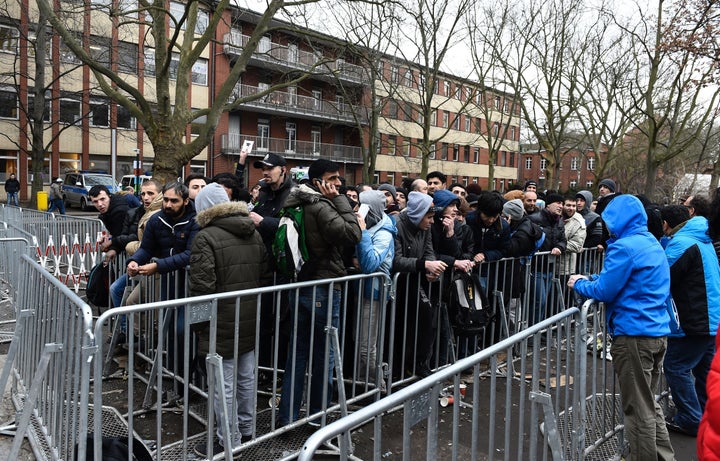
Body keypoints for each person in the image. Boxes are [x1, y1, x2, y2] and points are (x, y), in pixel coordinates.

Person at [568, 195, 675, 461]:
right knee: (649, 403)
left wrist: (578, 285)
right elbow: (626, 280)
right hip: (656, 332)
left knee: (637, 409)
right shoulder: (651, 242)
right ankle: (663, 456)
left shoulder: (624, 247)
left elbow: (605, 290)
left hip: (634, 334)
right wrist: (592, 278)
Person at [188, 183, 271, 457]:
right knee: (246, 377)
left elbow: (201, 288)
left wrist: (199, 327)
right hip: (247, 316)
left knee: (223, 385)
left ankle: (227, 441)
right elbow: (264, 273)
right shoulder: (252, 231)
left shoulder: (205, 237)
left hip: (219, 321)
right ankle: (246, 430)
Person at [277, 159, 362, 426]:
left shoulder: (293, 202)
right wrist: (342, 203)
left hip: (300, 285)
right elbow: (352, 234)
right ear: (318, 182)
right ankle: (318, 419)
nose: (338, 183)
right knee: (324, 355)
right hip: (323, 288)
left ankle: (288, 417)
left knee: (297, 353)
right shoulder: (320, 206)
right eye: (333, 178)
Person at [660, 205, 720, 437]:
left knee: (676, 367)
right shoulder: (701, 237)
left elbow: (662, 275)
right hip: (710, 317)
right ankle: (704, 413)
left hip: (695, 318)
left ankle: (691, 418)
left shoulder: (683, 241)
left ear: (666, 224)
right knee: (704, 370)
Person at [392, 191, 448, 378]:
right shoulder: (398, 225)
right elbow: (396, 260)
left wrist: (431, 269)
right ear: (418, 215)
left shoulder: (426, 229)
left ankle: (419, 363)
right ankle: (399, 368)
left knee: (426, 318)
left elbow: (429, 251)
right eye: (429, 217)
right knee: (400, 326)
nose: (432, 222)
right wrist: (424, 265)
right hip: (398, 283)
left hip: (415, 279)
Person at [354, 190, 397, 392]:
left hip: (375, 293)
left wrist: (361, 233)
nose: (356, 209)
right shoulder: (373, 226)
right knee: (358, 342)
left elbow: (370, 263)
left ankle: (378, 389)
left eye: (360, 206)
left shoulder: (384, 233)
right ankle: (362, 386)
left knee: (366, 347)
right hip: (361, 291)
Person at [528, 193, 567, 323]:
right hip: (536, 267)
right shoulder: (534, 219)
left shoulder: (559, 221)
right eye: (558, 203)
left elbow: (563, 240)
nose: (560, 206)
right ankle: (533, 332)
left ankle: (539, 331)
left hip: (549, 268)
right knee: (540, 300)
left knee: (545, 301)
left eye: (562, 204)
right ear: (548, 204)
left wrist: (559, 248)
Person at [89, 185, 131, 255]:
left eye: (102, 199)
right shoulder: (110, 209)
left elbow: (121, 234)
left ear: (109, 196)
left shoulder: (120, 211)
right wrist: (109, 236)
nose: (100, 204)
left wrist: (112, 248)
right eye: (95, 201)